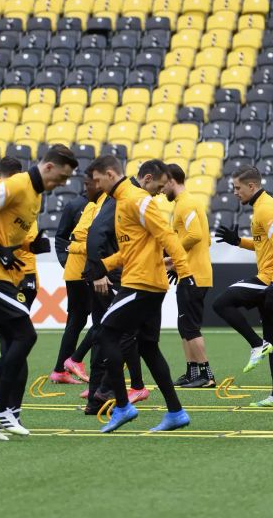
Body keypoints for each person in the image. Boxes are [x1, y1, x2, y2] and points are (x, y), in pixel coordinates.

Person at [0, 144, 77, 440]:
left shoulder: (36, 196)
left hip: (3, 276)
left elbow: (7, 233)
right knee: (25, 336)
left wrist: (25, 247)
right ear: (49, 167)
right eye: (61, 178)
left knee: (16, 340)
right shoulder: (16, 185)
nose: (62, 185)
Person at [86, 155, 196, 433]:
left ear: (110, 174)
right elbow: (131, 249)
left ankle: (122, 406)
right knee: (147, 346)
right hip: (146, 282)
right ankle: (175, 412)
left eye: (97, 180)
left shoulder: (137, 199)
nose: (95, 185)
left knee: (106, 333)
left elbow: (168, 237)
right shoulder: (126, 201)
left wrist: (185, 272)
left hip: (141, 284)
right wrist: (105, 264)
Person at [80, 160, 168, 410]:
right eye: (159, 187)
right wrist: (96, 272)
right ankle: (109, 391)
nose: (160, 192)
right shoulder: (127, 196)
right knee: (118, 334)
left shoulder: (126, 196)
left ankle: (100, 396)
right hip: (113, 277)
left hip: (116, 272)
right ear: (147, 178)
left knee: (112, 333)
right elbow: (96, 231)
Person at [213, 165, 273, 407]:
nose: (235, 193)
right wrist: (238, 242)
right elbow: (265, 245)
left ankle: (256, 344)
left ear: (251, 186)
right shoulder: (262, 206)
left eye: (238, 188)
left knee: (221, 303)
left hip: (271, 280)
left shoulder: (266, 209)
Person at [163, 163, 216, 388]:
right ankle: (193, 371)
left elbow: (194, 235)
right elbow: (206, 239)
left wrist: (173, 258)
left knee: (190, 326)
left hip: (193, 274)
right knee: (184, 325)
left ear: (172, 181)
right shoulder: (187, 203)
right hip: (191, 272)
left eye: (162, 183)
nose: (161, 188)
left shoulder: (185, 204)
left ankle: (206, 374)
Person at [50, 173, 104, 385]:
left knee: (78, 320)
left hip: (82, 268)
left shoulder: (96, 204)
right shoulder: (79, 205)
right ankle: (76, 364)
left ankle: (60, 369)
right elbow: (63, 236)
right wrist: (66, 259)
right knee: (95, 318)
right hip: (83, 270)